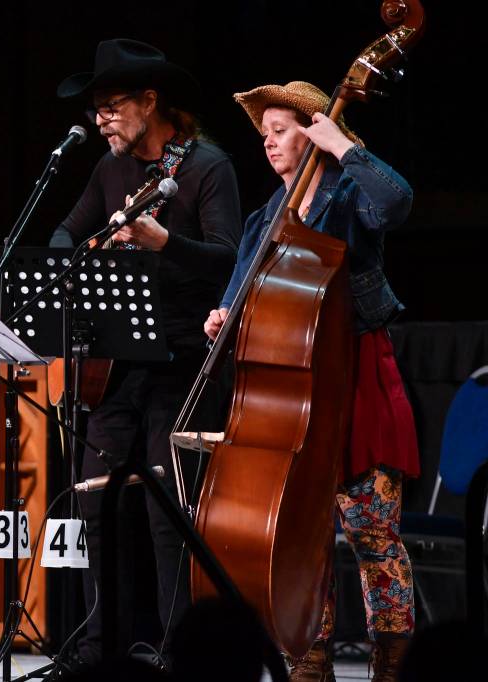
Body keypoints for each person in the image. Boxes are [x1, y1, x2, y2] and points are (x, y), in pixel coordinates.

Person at [204, 81, 420, 681]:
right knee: (302, 539)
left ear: (313, 132)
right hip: (291, 399)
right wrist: (221, 317)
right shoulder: (263, 221)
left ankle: (393, 664)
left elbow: (397, 203)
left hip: (356, 377)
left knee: (374, 535)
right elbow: (238, 302)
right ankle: (307, 660)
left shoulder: (350, 196)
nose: (269, 143)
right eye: (264, 135)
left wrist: (343, 146)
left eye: (281, 131)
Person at [49, 39, 242, 671]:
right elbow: (67, 229)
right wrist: (70, 256)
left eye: (111, 107)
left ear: (149, 101)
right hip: (115, 363)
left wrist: (166, 243)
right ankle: (98, 649)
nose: (101, 120)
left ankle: (176, 653)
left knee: (168, 513)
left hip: (183, 360)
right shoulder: (110, 169)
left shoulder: (207, 167)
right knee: (92, 500)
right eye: (97, 110)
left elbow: (230, 260)